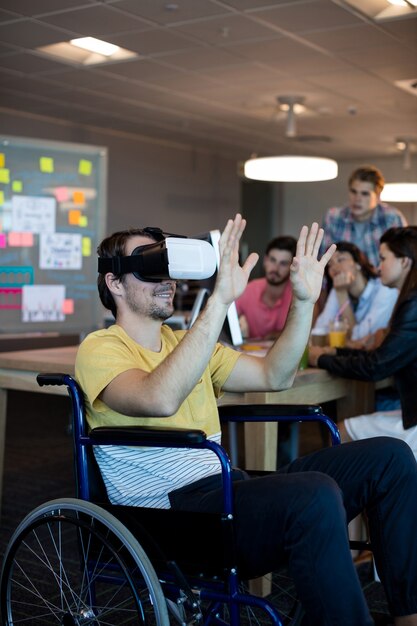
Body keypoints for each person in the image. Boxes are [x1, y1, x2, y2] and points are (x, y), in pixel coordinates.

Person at [76, 215, 417, 626]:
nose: (166, 279)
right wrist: (219, 301)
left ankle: (407, 617)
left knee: (390, 458)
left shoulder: (186, 343)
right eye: (150, 268)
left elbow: (277, 374)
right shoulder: (99, 348)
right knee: (315, 494)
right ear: (114, 282)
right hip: (174, 517)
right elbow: (159, 397)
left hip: (226, 491)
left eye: (168, 267)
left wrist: (304, 301)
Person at [310, 226, 417, 460]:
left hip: (414, 422)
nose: (378, 267)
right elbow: (376, 351)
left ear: (406, 262)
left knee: (340, 431)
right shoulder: (410, 301)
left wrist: (322, 358)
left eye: (383, 258)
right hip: (409, 413)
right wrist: (335, 351)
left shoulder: (412, 304)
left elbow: (375, 366)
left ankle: (344, 495)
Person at [320, 165, 407, 268]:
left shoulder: (392, 218)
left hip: (382, 282)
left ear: (378, 197)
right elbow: (323, 261)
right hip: (340, 282)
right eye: (353, 192)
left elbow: (403, 265)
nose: (357, 199)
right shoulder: (333, 217)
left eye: (365, 194)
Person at [314, 241, 398, 347]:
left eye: (341, 259)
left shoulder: (385, 288)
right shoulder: (337, 290)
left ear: (358, 263)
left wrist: (342, 295)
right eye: (330, 264)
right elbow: (320, 331)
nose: (334, 267)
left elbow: (360, 338)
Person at [236, 235, 296, 339]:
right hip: (252, 353)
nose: (275, 268)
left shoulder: (299, 294)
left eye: (283, 263)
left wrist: (275, 336)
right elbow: (224, 318)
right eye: (272, 260)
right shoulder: (249, 289)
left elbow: (306, 335)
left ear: (292, 267)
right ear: (265, 260)